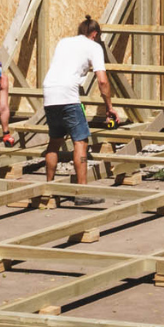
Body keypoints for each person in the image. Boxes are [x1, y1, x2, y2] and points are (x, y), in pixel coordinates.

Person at [42, 16, 123, 197]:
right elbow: (102, 81)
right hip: (68, 94)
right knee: (80, 141)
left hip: (49, 92)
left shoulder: (63, 42)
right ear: (94, 34)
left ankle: (48, 189)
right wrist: (109, 107)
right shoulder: (94, 47)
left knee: (55, 141)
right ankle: (82, 193)